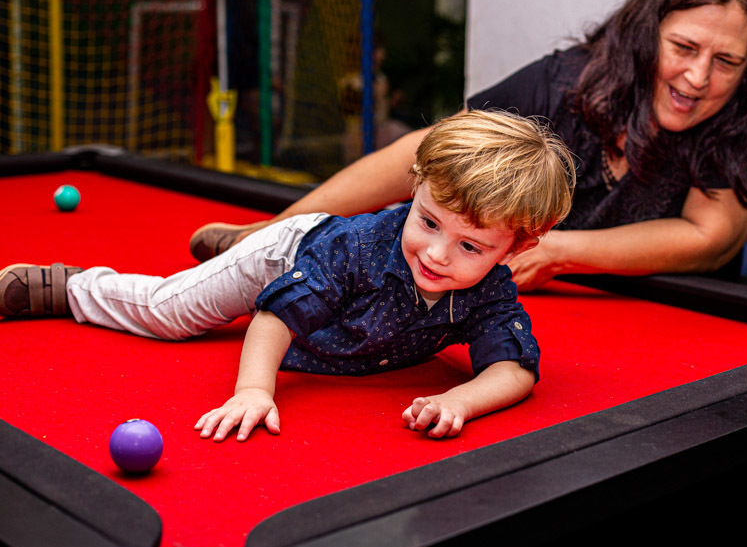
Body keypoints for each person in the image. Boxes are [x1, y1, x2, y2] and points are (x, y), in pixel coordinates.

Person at [189, 0, 747, 290]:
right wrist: (278, 229)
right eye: (684, 46)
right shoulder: (561, 82)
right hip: (520, 298)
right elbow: (425, 155)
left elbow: (709, 237)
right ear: (646, 32)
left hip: (687, 324)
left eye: (726, 61)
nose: (699, 76)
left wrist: (560, 250)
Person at [0, 110, 576, 440]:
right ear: (415, 187)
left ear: (516, 247)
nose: (438, 254)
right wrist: (254, 389)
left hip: (324, 271)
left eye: (471, 246)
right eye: (426, 221)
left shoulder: (494, 288)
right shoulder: (357, 249)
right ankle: (67, 286)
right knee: (170, 314)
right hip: (288, 253)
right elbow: (274, 317)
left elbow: (514, 368)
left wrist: (463, 399)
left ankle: (232, 241)